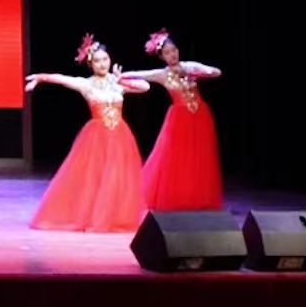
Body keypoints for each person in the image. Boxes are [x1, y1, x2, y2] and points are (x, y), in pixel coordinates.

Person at [25, 34, 151, 232]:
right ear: (91, 64)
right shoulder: (86, 84)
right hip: (97, 137)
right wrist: (40, 78)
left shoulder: (118, 82)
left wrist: (123, 80)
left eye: (105, 59)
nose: (103, 64)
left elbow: (145, 87)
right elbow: (62, 79)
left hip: (119, 135)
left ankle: (114, 216)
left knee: (117, 176)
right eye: (98, 61)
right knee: (96, 177)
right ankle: (95, 216)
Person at [124, 29, 224, 211]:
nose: (172, 55)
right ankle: (177, 196)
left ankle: (196, 196)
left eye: (174, 50)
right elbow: (138, 74)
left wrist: (202, 72)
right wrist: (119, 76)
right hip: (180, 119)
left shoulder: (190, 66)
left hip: (200, 116)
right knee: (178, 158)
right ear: (162, 56)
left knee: (199, 158)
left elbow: (217, 72)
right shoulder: (162, 74)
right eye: (167, 53)